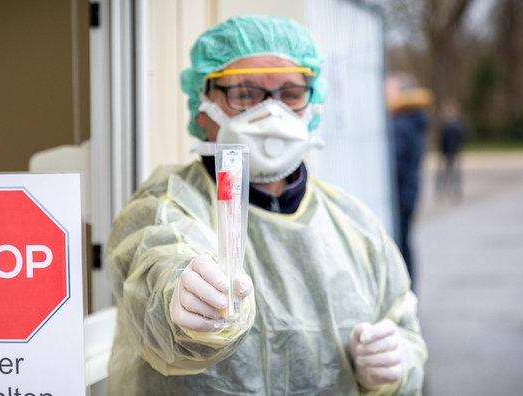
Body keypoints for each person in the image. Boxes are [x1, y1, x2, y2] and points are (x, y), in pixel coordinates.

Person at [106, 15, 427, 395]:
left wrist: (392, 367)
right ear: (202, 107)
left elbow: (403, 325)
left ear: (313, 104)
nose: (272, 112)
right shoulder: (167, 204)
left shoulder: (354, 223)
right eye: (245, 93)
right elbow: (159, 264)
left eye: (291, 93)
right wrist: (179, 300)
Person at [385, 73, 432, 290]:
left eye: (389, 90)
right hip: (408, 193)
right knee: (404, 244)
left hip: (400, 196)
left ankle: (405, 293)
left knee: (399, 246)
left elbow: (394, 163)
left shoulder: (401, 124)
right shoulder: (413, 120)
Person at [436, 98, 465, 200]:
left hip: (453, 151)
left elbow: (462, 137)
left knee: (453, 173)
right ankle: (443, 191)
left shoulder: (456, 124)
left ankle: (454, 190)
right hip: (446, 151)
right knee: (444, 173)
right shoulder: (446, 124)